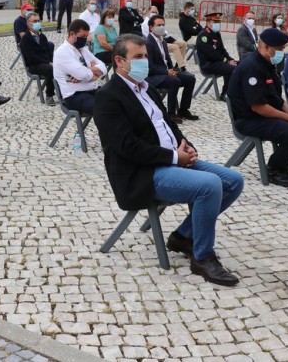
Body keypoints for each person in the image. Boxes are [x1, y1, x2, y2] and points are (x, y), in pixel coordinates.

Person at [93, 33, 244, 286]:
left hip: (170, 160)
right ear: (119, 61)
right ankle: (202, 257)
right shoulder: (108, 96)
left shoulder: (147, 88)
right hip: (140, 173)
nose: (145, 62)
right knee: (209, 185)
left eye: (146, 56)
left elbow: (166, 124)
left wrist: (185, 144)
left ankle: (183, 236)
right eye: (138, 57)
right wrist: (175, 156)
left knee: (233, 180)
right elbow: (127, 147)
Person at [228, 28, 288, 188]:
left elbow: (277, 99)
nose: (281, 53)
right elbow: (258, 107)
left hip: (265, 116)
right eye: (279, 49)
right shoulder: (252, 67)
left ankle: (283, 164)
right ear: (266, 47)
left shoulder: (267, 64)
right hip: (249, 119)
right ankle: (274, 169)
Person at [146, 15, 198, 123]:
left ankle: (183, 109)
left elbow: (166, 61)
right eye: (158, 25)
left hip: (165, 73)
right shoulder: (148, 43)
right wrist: (166, 72)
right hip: (154, 76)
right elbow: (149, 66)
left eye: (163, 25)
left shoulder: (163, 42)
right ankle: (171, 113)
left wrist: (173, 70)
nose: (161, 27)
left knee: (190, 79)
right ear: (151, 27)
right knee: (174, 81)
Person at [53, 19, 107, 115]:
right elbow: (84, 75)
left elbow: (103, 67)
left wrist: (89, 70)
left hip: (92, 89)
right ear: (72, 34)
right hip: (75, 95)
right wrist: (94, 73)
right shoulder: (62, 52)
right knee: (103, 110)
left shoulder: (83, 49)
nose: (85, 39)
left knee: (118, 101)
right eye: (82, 36)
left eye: (86, 36)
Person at [196, 12, 238, 100]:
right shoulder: (203, 35)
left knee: (239, 64)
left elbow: (222, 49)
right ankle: (224, 94)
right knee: (231, 69)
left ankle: (235, 91)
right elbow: (211, 54)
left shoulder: (216, 33)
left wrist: (230, 59)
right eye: (215, 22)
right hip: (208, 65)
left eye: (218, 22)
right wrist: (225, 61)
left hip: (217, 62)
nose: (217, 24)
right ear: (208, 23)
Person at [19, 12, 57, 106]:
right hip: (34, 65)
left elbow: (48, 52)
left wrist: (52, 61)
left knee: (60, 67)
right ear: (28, 23)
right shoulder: (26, 39)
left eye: (38, 21)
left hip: (45, 63)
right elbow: (31, 58)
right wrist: (48, 63)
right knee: (50, 69)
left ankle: (64, 93)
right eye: (34, 21)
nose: (37, 23)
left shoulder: (42, 36)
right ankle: (49, 95)